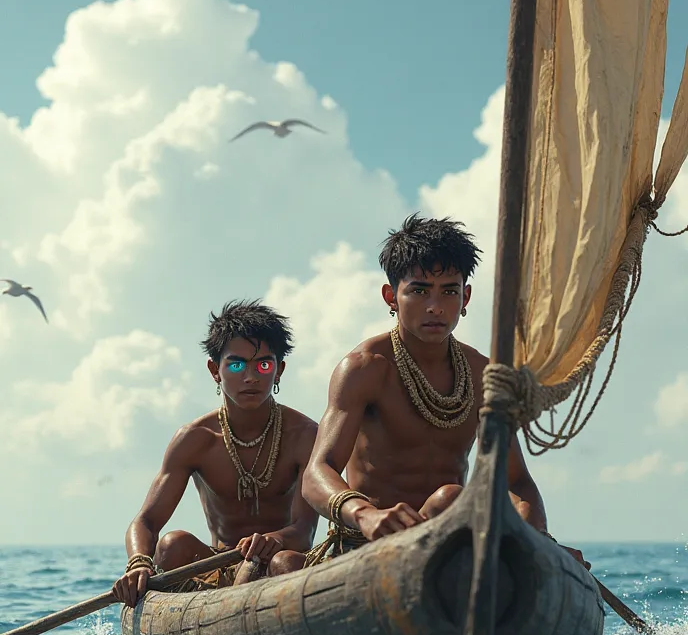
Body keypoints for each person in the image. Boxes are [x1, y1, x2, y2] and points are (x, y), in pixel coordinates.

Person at [273, 213, 585, 571]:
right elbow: (317, 472)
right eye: (419, 291)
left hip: (452, 539)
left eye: (449, 291)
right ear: (391, 296)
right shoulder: (365, 368)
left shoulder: (484, 374)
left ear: (465, 297)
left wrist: (538, 541)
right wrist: (364, 515)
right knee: (285, 564)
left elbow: (516, 482)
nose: (435, 306)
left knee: (451, 500)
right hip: (366, 547)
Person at [112, 300, 318, 607]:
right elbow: (146, 521)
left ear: (279, 370)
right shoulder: (195, 439)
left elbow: (304, 530)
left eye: (263, 364)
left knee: (286, 561)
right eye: (236, 365)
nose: (251, 376)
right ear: (214, 370)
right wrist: (139, 563)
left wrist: (272, 540)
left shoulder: (304, 435)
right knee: (172, 544)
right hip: (216, 568)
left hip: (279, 565)